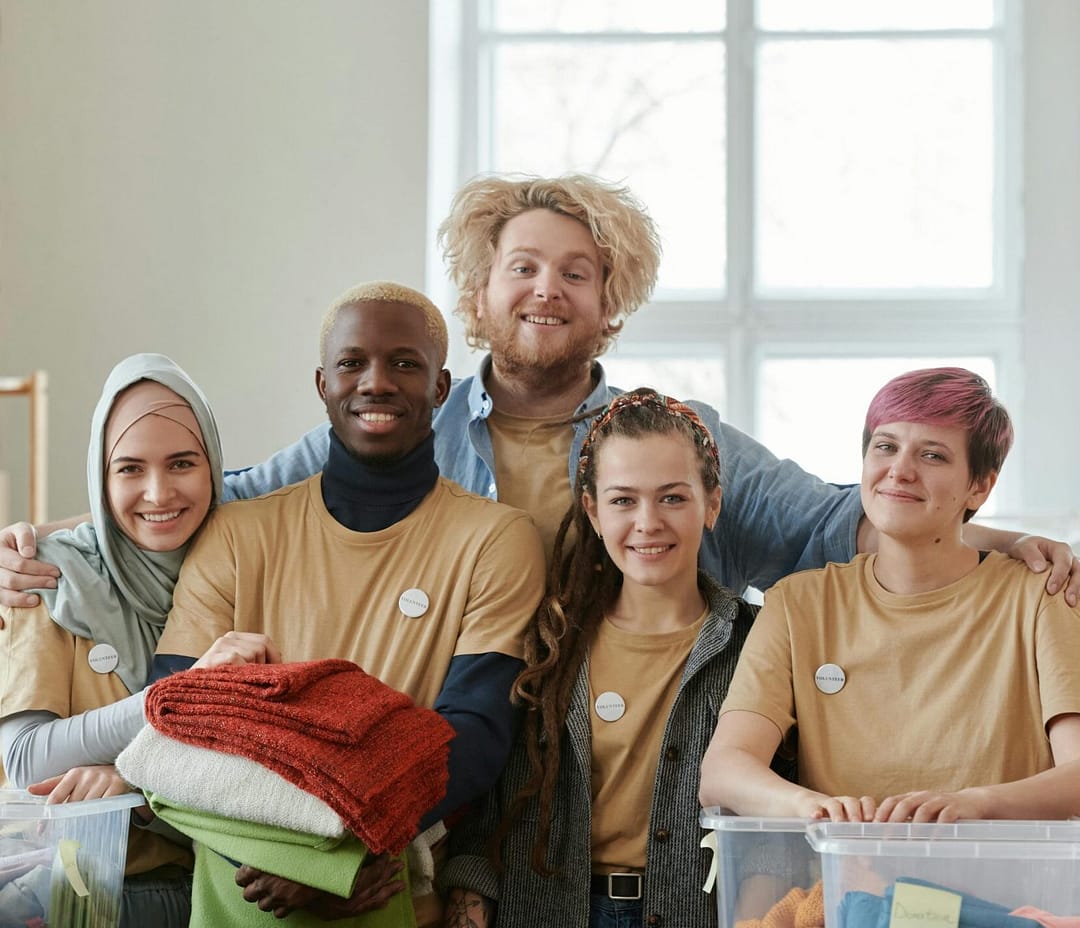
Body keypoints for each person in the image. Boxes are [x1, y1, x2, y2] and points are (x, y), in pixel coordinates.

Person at [6, 176, 1076, 606]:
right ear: (478, 290)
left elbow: (838, 526)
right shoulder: (400, 425)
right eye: (523, 266)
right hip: (452, 763)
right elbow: (214, 501)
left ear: (613, 302)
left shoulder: (680, 440)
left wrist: (1009, 542)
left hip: (629, 759)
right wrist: (49, 545)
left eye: (577, 271)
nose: (547, 289)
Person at [142, 281, 545, 928]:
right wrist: (311, 859)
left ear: (443, 386)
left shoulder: (496, 539)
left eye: (404, 363)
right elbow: (172, 728)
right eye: (353, 363)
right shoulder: (236, 536)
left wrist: (338, 856)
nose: (377, 383)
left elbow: (476, 735)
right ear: (322, 383)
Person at [356, 389, 751, 928]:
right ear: (593, 511)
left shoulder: (756, 644)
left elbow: (778, 836)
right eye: (623, 500)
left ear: (713, 504)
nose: (647, 522)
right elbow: (490, 831)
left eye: (673, 496)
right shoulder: (547, 645)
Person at [699, 367, 1080, 824]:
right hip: (848, 887)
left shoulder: (1041, 596)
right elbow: (723, 770)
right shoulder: (796, 604)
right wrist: (813, 809)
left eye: (933, 455)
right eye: (886, 446)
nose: (900, 470)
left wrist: (976, 805)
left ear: (980, 485)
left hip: (1005, 891)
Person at [0, 352, 224, 928]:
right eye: (130, 469)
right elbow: (25, 757)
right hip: (62, 907)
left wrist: (132, 774)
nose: (159, 493)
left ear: (214, 464)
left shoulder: (237, 571)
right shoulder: (48, 575)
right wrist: (178, 700)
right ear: (101, 479)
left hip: (212, 911)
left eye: (183, 462)